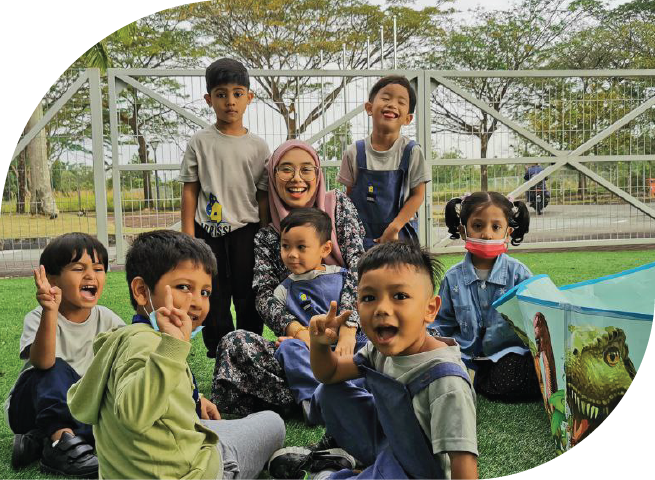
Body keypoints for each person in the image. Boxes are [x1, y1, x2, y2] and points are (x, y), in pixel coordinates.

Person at [67, 230, 285, 480]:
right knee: (272, 423)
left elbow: (141, 386)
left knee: (213, 425)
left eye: (205, 292)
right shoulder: (147, 343)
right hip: (191, 473)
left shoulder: (125, 338)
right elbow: (133, 414)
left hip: (146, 462)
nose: (197, 302)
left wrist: (193, 399)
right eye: (183, 287)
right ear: (141, 291)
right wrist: (172, 347)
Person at [268, 242, 478, 480]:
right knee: (330, 392)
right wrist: (319, 343)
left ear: (430, 309)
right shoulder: (379, 350)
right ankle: (353, 463)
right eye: (369, 297)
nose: (381, 308)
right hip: (391, 444)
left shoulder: (446, 381)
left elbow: (463, 463)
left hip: (418, 473)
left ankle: (328, 473)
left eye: (400, 296)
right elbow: (329, 373)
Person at [211, 140, 366, 416]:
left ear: (318, 174)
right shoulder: (268, 236)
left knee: (398, 342)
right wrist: (300, 333)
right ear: (272, 176)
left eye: (306, 169)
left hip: (352, 340)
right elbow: (264, 295)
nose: (297, 178)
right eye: (286, 169)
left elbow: (360, 268)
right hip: (301, 349)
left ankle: (328, 394)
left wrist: (348, 328)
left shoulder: (338, 206)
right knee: (234, 344)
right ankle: (323, 397)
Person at [6, 232, 125, 477]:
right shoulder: (38, 317)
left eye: (98, 269)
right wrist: (50, 310)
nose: (91, 276)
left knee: (111, 406)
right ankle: (62, 442)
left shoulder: (108, 320)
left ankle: (40, 441)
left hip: (80, 407)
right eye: (78, 269)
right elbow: (43, 362)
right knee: (54, 367)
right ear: (52, 279)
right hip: (29, 406)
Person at [180, 57, 271, 358]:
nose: (230, 101)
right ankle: (220, 352)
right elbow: (190, 190)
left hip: (247, 231)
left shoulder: (258, 146)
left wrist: (266, 232)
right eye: (221, 94)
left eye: (237, 93)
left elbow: (262, 195)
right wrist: (189, 236)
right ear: (209, 99)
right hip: (209, 233)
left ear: (249, 98)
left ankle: (250, 350)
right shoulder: (200, 142)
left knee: (248, 293)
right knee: (214, 293)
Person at [435, 191, 540, 401]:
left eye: (496, 227)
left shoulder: (519, 274)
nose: (487, 234)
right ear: (463, 231)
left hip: (507, 355)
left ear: (508, 233)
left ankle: (477, 381)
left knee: (520, 377)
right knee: (438, 371)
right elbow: (442, 322)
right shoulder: (452, 278)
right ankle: (471, 378)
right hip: (463, 356)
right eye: (478, 226)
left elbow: (536, 320)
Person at [273, 207, 367, 422]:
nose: (292, 254)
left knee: (371, 350)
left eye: (301, 247)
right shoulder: (282, 291)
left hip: (348, 344)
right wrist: (297, 337)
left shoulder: (344, 277)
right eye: (285, 246)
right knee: (288, 348)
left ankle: (352, 394)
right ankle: (314, 400)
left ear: (325, 249)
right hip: (312, 350)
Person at [338, 75, 430, 250]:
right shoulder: (353, 152)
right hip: (361, 240)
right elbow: (348, 199)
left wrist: (394, 227)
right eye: (386, 98)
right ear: (369, 108)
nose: (392, 104)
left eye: (401, 102)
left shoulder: (412, 151)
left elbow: (418, 195)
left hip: (400, 236)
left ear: (408, 119)